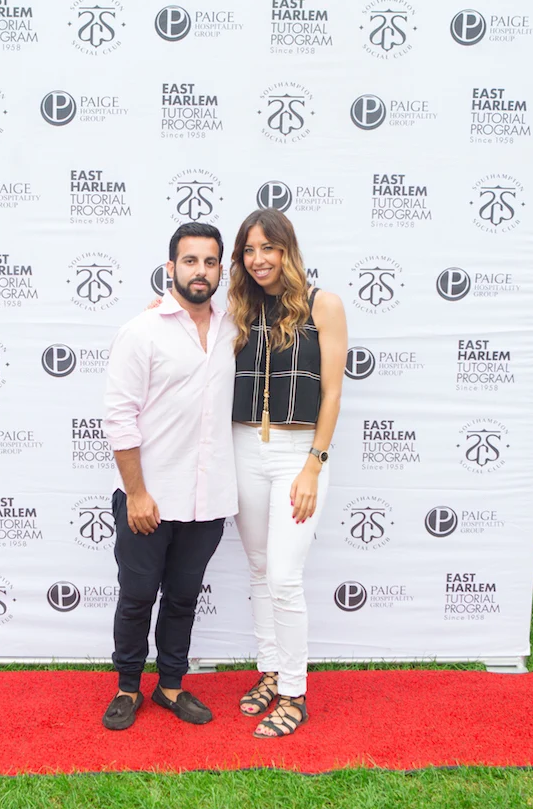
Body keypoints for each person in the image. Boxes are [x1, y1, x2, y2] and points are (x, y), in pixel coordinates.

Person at [101, 222, 238, 731]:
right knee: (137, 597)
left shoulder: (234, 330)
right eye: (190, 260)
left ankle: (171, 685)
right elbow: (120, 418)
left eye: (209, 262)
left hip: (207, 499)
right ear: (170, 268)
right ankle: (127, 687)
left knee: (183, 598)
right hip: (150, 499)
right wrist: (136, 493)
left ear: (221, 271)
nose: (200, 271)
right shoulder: (141, 331)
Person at [229, 208, 347, 738]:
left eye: (268, 248)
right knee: (259, 570)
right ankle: (270, 671)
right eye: (249, 250)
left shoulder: (324, 305)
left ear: (287, 250)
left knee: (283, 575)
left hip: (299, 452)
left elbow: (333, 393)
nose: (259, 260)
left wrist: (313, 466)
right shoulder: (239, 308)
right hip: (243, 447)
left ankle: (294, 695)